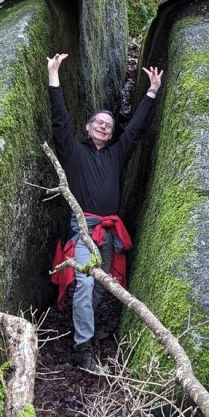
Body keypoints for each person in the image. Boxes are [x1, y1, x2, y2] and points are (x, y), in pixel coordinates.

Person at [47, 52, 163, 371]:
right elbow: (59, 121)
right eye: (99, 122)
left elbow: (135, 130)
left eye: (108, 125)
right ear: (88, 127)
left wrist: (151, 91)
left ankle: (95, 333)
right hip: (83, 229)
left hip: (109, 232)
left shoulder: (115, 155)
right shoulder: (73, 152)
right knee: (85, 281)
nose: (104, 126)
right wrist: (54, 77)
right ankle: (82, 347)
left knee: (102, 284)